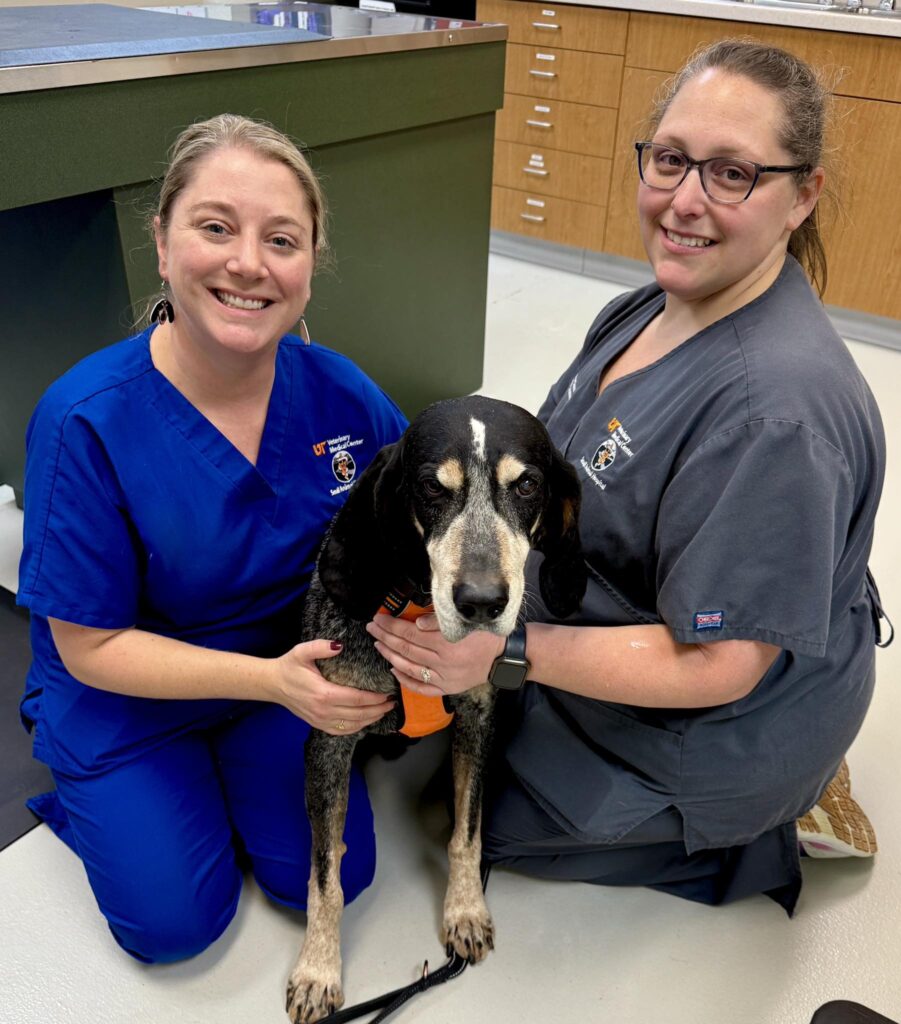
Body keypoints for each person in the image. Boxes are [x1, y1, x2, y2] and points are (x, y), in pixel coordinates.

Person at [368, 41, 889, 914]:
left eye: (732, 174)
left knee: (475, 817)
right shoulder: (652, 303)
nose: (684, 201)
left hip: (720, 719)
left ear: (802, 195)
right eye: (672, 159)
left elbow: (721, 664)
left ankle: (774, 816)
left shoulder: (775, 417)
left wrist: (507, 650)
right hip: (616, 607)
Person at [17, 114, 406, 962]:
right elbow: (88, 646)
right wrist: (274, 681)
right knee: (175, 929)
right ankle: (97, 792)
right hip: (126, 694)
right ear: (161, 243)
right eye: (215, 227)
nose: (247, 263)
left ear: (310, 266)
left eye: (282, 239)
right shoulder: (87, 419)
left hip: (281, 683)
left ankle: (216, 785)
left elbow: (419, 515)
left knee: (335, 881)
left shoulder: (342, 394)